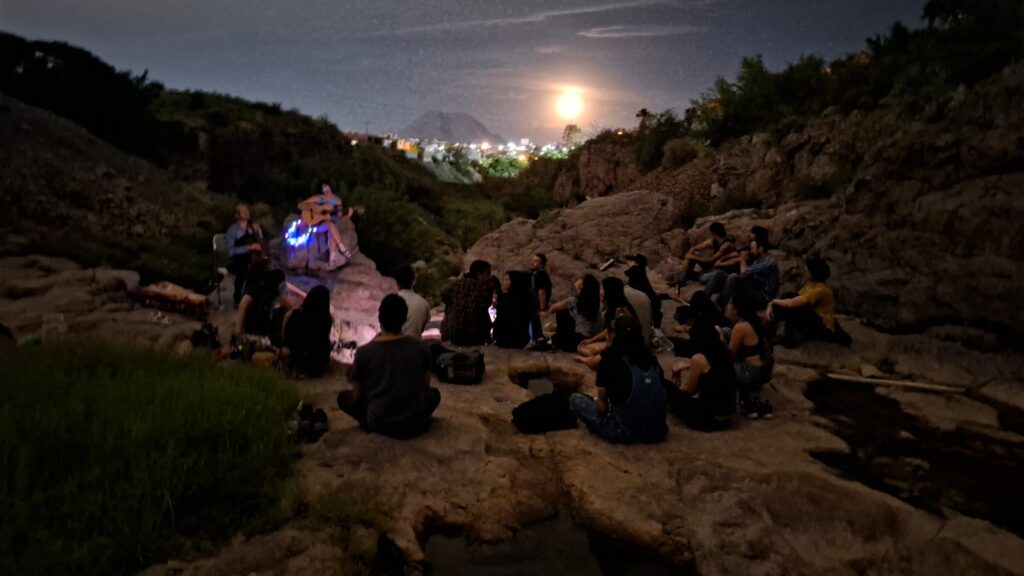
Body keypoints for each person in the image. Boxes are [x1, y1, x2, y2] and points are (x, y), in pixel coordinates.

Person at [337, 294, 441, 438]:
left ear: (380, 319)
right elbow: (425, 387)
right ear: (404, 319)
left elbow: (357, 396)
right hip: (415, 421)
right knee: (435, 394)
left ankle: (374, 420)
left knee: (343, 398)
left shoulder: (363, 352)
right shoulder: (421, 347)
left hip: (378, 422)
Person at [569, 314, 668, 444]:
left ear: (614, 335)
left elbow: (602, 407)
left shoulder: (610, 359)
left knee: (575, 399)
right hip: (656, 431)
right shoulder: (652, 360)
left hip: (624, 431)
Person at [665, 321, 738, 431]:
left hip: (710, 418)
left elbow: (689, 391)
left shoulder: (699, 359)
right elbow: (713, 368)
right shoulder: (724, 352)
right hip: (727, 415)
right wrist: (689, 366)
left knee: (667, 387)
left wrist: (678, 385)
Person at [768, 258, 852, 347]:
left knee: (792, 302)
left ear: (813, 274)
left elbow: (792, 303)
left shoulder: (820, 290)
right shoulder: (811, 284)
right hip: (813, 318)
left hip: (821, 325)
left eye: (808, 270)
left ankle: (787, 338)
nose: (805, 272)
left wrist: (773, 302)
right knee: (789, 297)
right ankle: (779, 329)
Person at [703, 227, 779, 310]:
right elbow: (744, 275)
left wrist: (743, 258)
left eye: (752, 249)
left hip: (764, 297)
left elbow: (744, 272)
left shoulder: (769, 262)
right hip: (753, 289)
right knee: (720, 275)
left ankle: (718, 307)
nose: (751, 251)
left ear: (760, 249)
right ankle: (702, 299)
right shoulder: (757, 261)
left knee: (733, 277)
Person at [726, 290, 774, 419]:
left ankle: (744, 400)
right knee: (726, 332)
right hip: (764, 371)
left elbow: (730, 357)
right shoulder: (755, 322)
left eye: (730, 303)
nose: (727, 306)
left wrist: (720, 340)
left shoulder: (740, 327)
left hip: (750, 374)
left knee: (719, 365)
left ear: (736, 309)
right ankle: (754, 398)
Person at [576, 277, 636, 367]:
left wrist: (602, 350)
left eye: (603, 288)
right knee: (582, 347)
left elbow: (620, 342)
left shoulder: (622, 312)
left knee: (596, 359)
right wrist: (591, 340)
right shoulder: (612, 308)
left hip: (624, 349)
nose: (600, 291)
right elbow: (608, 329)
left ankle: (588, 360)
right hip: (612, 345)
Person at [280, 285, 333, 377]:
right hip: (315, 362)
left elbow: (284, 336)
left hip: (293, 357)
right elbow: (323, 341)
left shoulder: (293, 314)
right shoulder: (326, 319)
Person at [297, 181, 355, 262]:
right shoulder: (319, 198)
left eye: (327, 186)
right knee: (331, 225)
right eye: (323, 188)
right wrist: (315, 208)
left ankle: (332, 258)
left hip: (331, 221)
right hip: (317, 222)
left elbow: (339, 215)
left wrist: (348, 215)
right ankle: (342, 248)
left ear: (330, 187)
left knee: (332, 228)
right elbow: (300, 205)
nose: (326, 189)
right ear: (322, 190)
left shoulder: (337, 200)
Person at [440, 260, 495, 346]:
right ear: (479, 274)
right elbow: (484, 308)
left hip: (454, 333)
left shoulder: (456, 284)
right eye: (487, 274)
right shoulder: (485, 288)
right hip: (475, 335)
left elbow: (444, 295)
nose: (489, 277)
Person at [548, 274, 602, 352]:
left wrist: (565, 303)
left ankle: (559, 342)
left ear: (582, 287)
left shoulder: (573, 301)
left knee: (562, 312)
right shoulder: (596, 301)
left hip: (578, 339)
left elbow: (552, 309)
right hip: (592, 337)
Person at [235, 263, 288, 340]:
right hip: (256, 332)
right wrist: (238, 329)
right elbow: (244, 303)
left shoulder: (275, 294)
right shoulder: (258, 290)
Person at [225, 203, 264, 306]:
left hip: (252, 258)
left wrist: (259, 232)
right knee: (244, 267)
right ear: (236, 215)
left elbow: (260, 243)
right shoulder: (233, 230)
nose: (246, 213)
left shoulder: (252, 227)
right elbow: (230, 251)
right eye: (243, 211)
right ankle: (238, 298)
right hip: (236, 260)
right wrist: (247, 248)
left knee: (262, 266)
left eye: (247, 210)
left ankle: (253, 296)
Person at [674, 222, 736, 286]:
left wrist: (692, 257)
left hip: (721, 270)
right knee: (695, 254)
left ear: (714, 233)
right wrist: (692, 251)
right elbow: (698, 247)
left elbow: (710, 260)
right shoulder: (714, 240)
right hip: (712, 266)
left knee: (703, 278)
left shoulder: (726, 245)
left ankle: (691, 276)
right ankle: (683, 278)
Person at [493, 271, 536, 348]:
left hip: (503, 340)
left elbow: (499, 320)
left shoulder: (503, 298)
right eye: (503, 279)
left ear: (515, 281)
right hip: (522, 340)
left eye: (507, 280)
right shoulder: (529, 298)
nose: (503, 282)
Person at [396, 265, 431, 339]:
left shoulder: (390, 302)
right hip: (415, 344)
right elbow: (423, 326)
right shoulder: (424, 303)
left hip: (394, 345)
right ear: (414, 281)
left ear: (397, 281)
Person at [528, 253, 552, 343]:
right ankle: (537, 336)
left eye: (536, 261)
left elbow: (542, 292)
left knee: (535, 319)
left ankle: (537, 337)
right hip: (532, 302)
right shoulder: (532, 273)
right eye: (533, 260)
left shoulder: (541, 275)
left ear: (541, 264)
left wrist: (542, 307)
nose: (533, 263)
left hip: (536, 302)